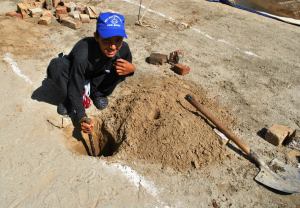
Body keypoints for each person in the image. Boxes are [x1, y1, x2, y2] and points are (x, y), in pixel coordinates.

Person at [47, 12, 136, 134]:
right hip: (74, 77)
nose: (113, 47)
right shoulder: (83, 53)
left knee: (120, 66)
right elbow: (75, 83)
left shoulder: (123, 49)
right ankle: (68, 100)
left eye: (118, 40)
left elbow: (125, 70)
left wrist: (131, 70)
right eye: (106, 40)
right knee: (57, 66)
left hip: (96, 78)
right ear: (96, 36)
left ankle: (97, 94)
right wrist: (82, 116)